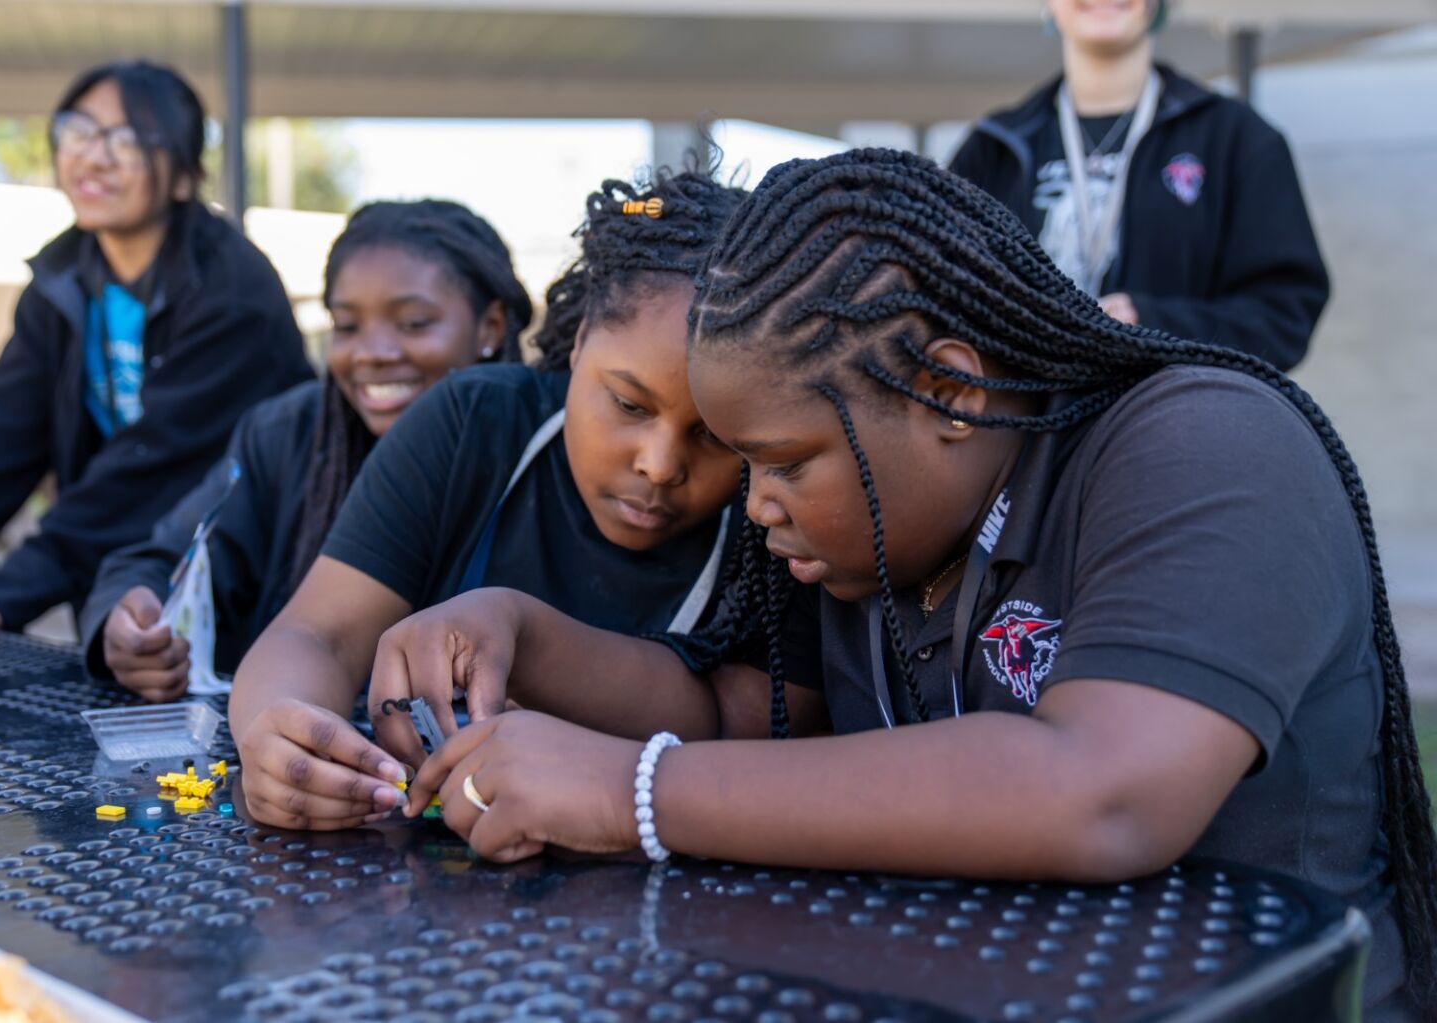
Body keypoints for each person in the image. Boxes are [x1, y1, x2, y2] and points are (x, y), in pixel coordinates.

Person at [374, 151, 1435, 1022]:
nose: (756, 504)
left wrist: (630, 791)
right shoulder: (882, 537)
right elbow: (743, 716)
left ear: (949, 392)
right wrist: (514, 630)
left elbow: (1104, 790)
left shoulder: (1204, 444)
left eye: (785, 463)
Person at [226, 168, 748, 833]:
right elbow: (317, 633)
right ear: (581, 340)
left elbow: (743, 720)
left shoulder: (776, 502)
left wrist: (527, 637)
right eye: (626, 403)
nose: (660, 463)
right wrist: (282, 731)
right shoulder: (475, 422)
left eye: (715, 434)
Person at [0, 60, 311, 642]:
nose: (94, 157)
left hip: (246, 587)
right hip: (121, 579)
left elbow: (149, 471)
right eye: (79, 131)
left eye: (129, 140)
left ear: (185, 177)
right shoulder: (62, 278)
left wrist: (1, 593)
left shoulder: (233, 290)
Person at [79, 200, 533, 700]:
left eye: (414, 324)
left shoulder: (544, 451)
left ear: (490, 327)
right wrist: (128, 625)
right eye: (347, 326)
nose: (372, 353)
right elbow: (165, 558)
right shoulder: (289, 433)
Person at [949, 0, 1328, 371]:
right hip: (1025, 425)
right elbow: (945, 292)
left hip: (1172, 423)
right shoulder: (994, 147)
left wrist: (1150, 324)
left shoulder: (1237, 139)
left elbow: (1285, 314)